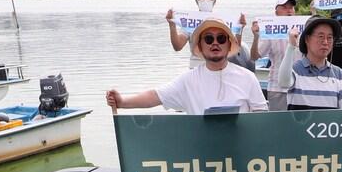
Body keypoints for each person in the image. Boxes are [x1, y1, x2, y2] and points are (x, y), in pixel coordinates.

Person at [108, 18, 268, 114]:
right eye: (208, 39)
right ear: (200, 45)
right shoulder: (188, 80)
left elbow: (261, 116)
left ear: (228, 44)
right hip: (200, 157)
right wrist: (122, 101)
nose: (215, 43)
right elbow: (155, 96)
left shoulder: (248, 78)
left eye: (220, 38)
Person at [272, 16, 342, 110]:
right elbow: (283, 82)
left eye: (329, 37)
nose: (325, 42)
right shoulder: (296, 70)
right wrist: (291, 46)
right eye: (321, 36)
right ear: (307, 39)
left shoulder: (338, 74)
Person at [165, 0, 245, 69]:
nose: (205, 0)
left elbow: (236, 48)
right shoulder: (190, 21)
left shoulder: (222, 20)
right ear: (197, 0)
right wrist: (172, 25)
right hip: (195, 68)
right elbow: (177, 46)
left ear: (214, 1)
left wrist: (240, 29)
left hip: (218, 68)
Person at [252, 0, 298, 110]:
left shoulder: (302, 29)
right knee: (278, 124)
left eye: (291, 7)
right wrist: (256, 36)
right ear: (276, 12)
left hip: (300, 87)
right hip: (277, 88)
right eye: (284, 7)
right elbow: (254, 56)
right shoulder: (270, 32)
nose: (289, 10)